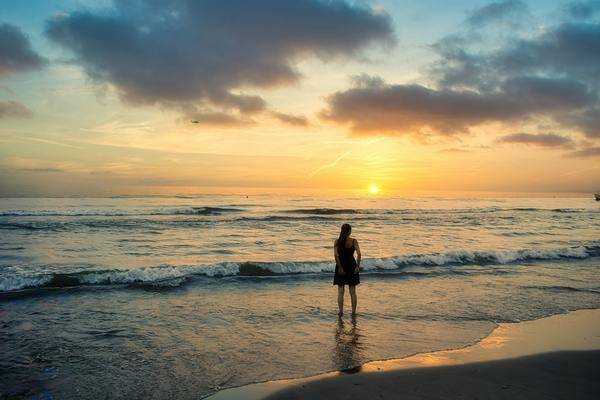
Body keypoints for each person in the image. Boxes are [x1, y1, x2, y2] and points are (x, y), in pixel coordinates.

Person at [333, 223, 361, 316]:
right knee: (352, 291)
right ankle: (353, 312)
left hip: (341, 265)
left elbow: (336, 256)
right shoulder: (354, 241)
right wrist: (357, 266)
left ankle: (341, 312)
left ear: (341, 230)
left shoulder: (337, 241)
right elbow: (359, 254)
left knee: (340, 291)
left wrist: (340, 267)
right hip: (351, 266)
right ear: (349, 231)